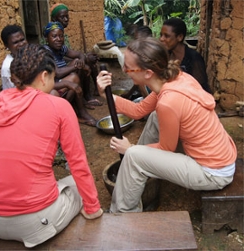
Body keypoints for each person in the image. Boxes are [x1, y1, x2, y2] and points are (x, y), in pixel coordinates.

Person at [0, 44, 103, 248]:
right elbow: (77, 162)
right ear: (44, 76)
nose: (54, 84)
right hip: (34, 223)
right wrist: (93, 208)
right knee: (76, 183)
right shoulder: (58, 106)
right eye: (53, 79)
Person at [96, 37, 237, 213]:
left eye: (128, 67)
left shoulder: (168, 102)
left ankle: (123, 215)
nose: (124, 71)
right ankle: (137, 171)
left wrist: (130, 149)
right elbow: (139, 110)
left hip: (212, 173)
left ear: (148, 73)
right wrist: (105, 95)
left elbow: (166, 148)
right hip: (217, 157)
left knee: (133, 155)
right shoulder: (173, 79)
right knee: (153, 120)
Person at [43, 22, 97, 126]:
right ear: (46, 38)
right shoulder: (46, 51)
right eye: (54, 36)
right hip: (54, 84)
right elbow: (57, 73)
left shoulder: (61, 48)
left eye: (61, 36)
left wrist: (81, 61)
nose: (58, 39)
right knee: (74, 78)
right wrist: (80, 66)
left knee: (77, 61)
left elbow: (80, 54)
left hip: (63, 80)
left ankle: (78, 108)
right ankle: (79, 111)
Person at [50, 3, 102, 99]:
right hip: (59, 71)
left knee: (88, 59)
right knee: (84, 62)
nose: (66, 19)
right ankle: (87, 96)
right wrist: (81, 60)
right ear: (54, 19)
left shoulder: (62, 36)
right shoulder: (50, 37)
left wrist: (84, 57)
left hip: (64, 66)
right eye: (62, 17)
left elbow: (66, 53)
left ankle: (95, 90)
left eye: (67, 16)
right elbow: (58, 60)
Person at [159, 18, 212, 94]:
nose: (161, 39)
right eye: (161, 35)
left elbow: (200, 89)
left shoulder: (193, 58)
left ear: (180, 37)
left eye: (166, 36)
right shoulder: (166, 56)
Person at [121, 25, 153, 100]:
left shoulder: (150, 57)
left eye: (138, 40)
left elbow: (140, 81)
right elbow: (138, 80)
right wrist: (129, 94)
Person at [0, 25, 28, 90]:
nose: (21, 44)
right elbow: (19, 91)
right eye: (15, 42)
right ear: (6, 45)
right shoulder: (7, 66)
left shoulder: (28, 56)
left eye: (22, 40)